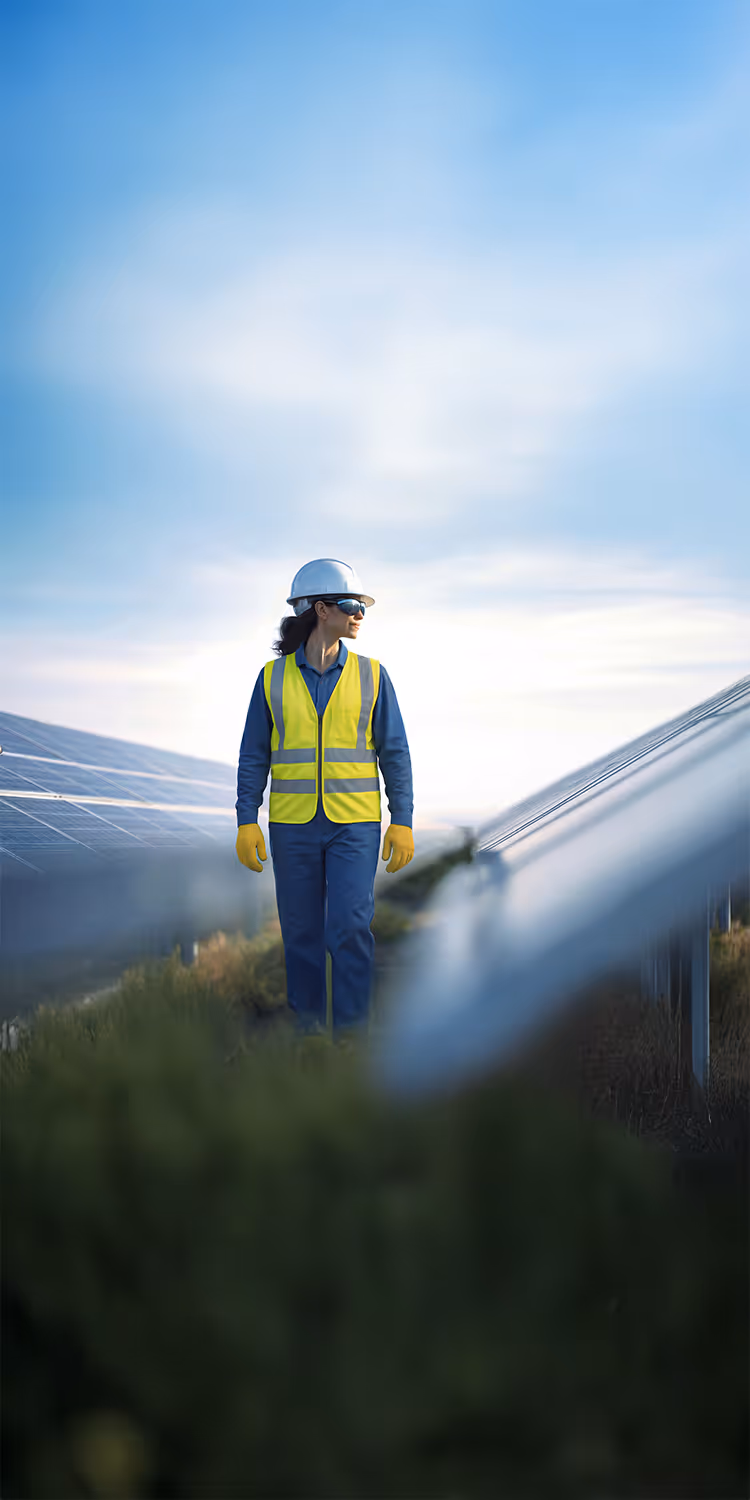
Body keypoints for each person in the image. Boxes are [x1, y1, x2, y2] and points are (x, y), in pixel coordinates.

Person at [235, 558, 414, 1039]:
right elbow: (254, 754)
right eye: (353, 605)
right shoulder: (271, 679)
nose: (361, 615)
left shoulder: (374, 676)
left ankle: (353, 1037)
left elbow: (394, 753)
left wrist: (403, 819)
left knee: (350, 929)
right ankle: (309, 1034)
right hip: (292, 826)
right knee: (300, 935)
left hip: (353, 826)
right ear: (321, 609)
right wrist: (245, 818)